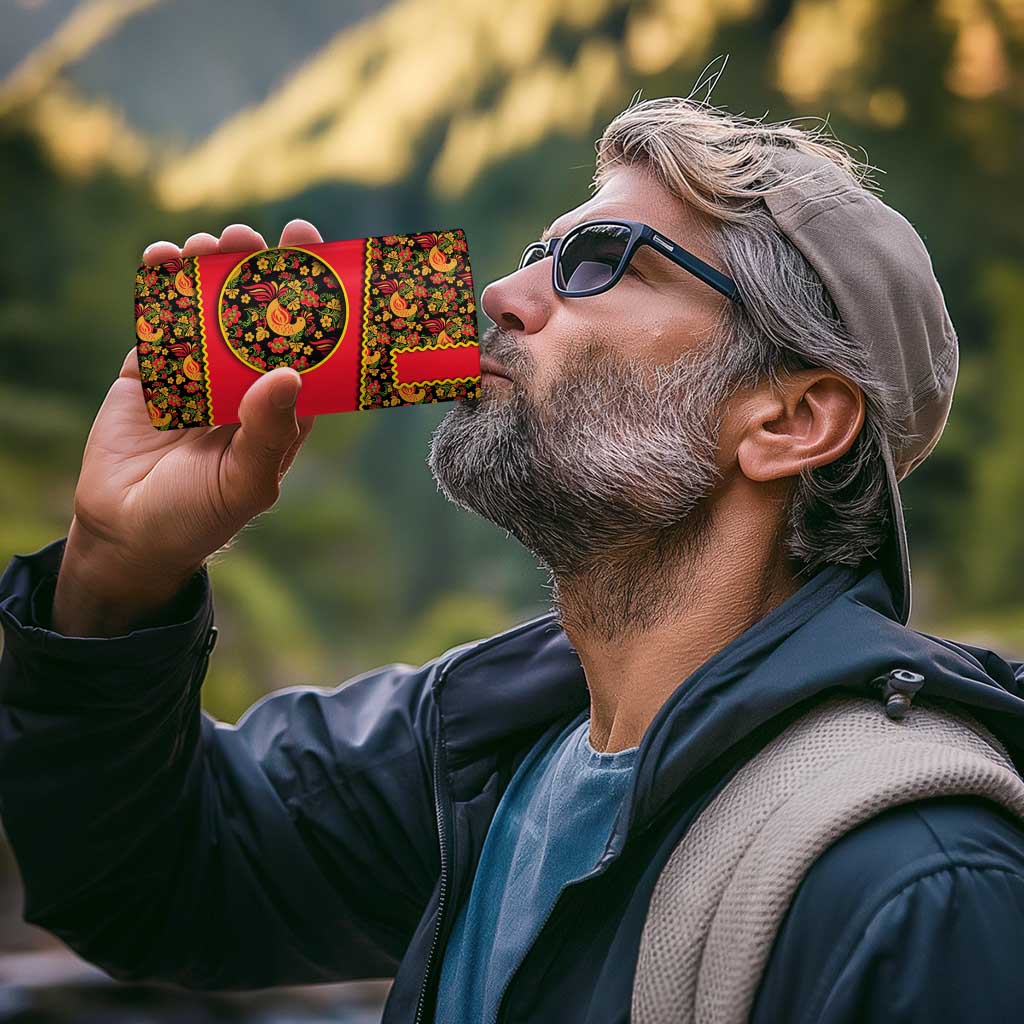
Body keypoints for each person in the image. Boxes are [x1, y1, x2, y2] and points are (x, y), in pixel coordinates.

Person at [2, 94, 1024, 1024]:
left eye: (599, 261)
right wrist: (115, 572)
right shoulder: (479, 749)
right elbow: (148, 880)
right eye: (540, 252)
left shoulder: (918, 884)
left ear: (790, 419)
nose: (501, 292)